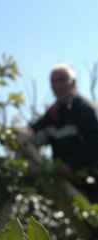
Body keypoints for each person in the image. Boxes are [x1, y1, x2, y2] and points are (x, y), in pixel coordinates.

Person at [29, 63, 98, 202]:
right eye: (53, 81)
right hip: (67, 183)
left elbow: (95, 141)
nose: (57, 85)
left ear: (73, 83)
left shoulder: (84, 108)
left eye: (61, 80)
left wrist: (72, 164)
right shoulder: (52, 113)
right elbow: (34, 132)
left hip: (92, 182)